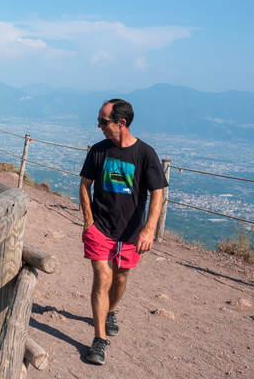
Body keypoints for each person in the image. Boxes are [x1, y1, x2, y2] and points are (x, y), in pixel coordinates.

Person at [79, 99, 168, 366]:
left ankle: (111, 312)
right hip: (100, 229)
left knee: (120, 278)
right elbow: (84, 185)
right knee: (102, 278)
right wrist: (88, 222)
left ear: (122, 123)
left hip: (130, 233)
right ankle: (99, 339)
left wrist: (149, 229)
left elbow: (158, 193)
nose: (99, 126)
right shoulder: (98, 151)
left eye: (103, 122)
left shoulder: (145, 153)